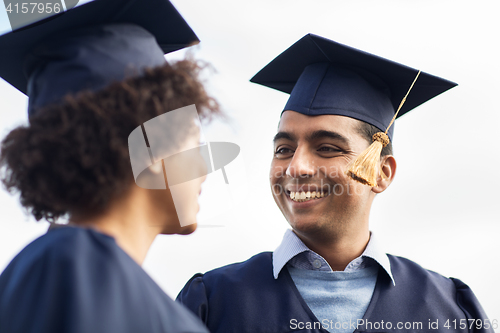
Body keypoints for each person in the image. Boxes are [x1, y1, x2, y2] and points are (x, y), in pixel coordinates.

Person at [177, 34, 493, 333]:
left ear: (382, 173)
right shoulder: (212, 303)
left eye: (327, 148)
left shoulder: (451, 310)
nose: (296, 168)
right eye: (284, 150)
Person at [0, 1, 219, 332]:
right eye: (194, 143)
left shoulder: (68, 269)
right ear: (151, 147)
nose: (205, 166)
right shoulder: (72, 267)